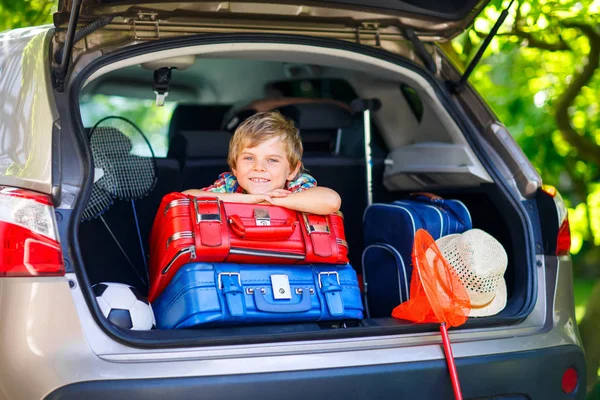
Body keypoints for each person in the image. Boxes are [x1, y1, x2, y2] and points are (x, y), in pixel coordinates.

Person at [183, 111, 341, 215]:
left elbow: (331, 201)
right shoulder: (230, 185)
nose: (258, 167)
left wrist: (273, 201)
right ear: (234, 167)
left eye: (272, 160)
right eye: (249, 158)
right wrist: (249, 199)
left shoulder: (296, 186)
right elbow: (184, 198)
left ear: (292, 170)